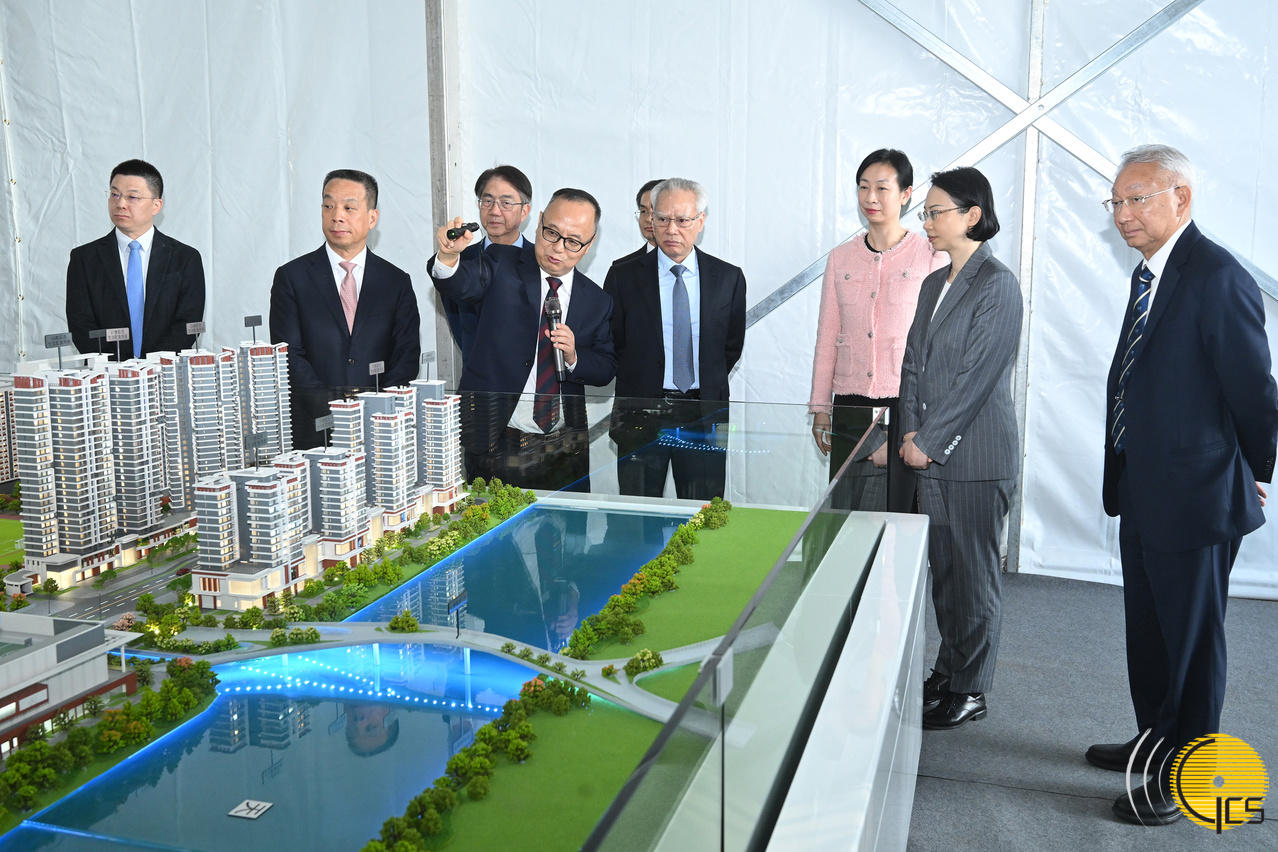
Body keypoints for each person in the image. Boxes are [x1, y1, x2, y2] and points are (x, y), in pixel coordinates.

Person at [1087, 145, 1277, 826]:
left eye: (1138, 199)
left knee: (1193, 644)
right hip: (1143, 483)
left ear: (1181, 198)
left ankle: (1190, 771)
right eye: (1116, 201)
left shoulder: (1217, 275)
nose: (1124, 214)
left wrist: (1256, 470)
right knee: (1149, 630)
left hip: (1197, 491)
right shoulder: (1150, 272)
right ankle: (1156, 739)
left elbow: (1253, 388)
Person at [898, 166, 1022, 731]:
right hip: (930, 455)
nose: (926, 221)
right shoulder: (933, 284)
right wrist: (909, 433)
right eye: (924, 213)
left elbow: (977, 378)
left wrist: (927, 440)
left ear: (972, 215)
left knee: (973, 576)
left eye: (934, 212)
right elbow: (912, 367)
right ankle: (948, 672)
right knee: (946, 575)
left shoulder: (997, 283)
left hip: (975, 459)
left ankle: (971, 689)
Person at [429, 188, 616, 492]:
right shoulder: (501, 262)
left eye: (573, 242)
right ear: (539, 221)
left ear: (589, 244)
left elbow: (606, 367)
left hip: (564, 445)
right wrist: (449, 257)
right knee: (492, 519)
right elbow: (460, 285)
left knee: (566, 522)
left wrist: (574, 357)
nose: (558, 248)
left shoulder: (597, 300)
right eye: (551, 233)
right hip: (497, 437)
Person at [808, 149, 946, 512]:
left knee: (902, 515)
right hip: (851, 405)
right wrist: (821, 407)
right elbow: (827, 337)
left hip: (908, 403)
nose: (871, 197)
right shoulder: (841, 257)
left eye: (882, 188)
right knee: (847, 515)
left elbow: (937, 343)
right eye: (863, 187)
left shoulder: (931, 255)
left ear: (906, 194)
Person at [604, 178, 747, 500]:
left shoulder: (728, 278)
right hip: (641, 413)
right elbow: (615, 343)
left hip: (703, 414)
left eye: (682, 220)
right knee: (637, 514)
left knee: (702, 513)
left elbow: (730, 347)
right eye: (663, 219)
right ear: (651, 220)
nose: (671, 229)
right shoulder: (623, 275)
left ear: (700, 221)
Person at [270, 169, 421, 450]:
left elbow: (406, 354)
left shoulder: (395, 281)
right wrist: (334, 411)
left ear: (372, 218)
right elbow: (289, 353)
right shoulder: (292, 277)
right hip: (314, 426)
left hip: (380, 427)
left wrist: (381, 409)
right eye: (328, 206)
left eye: (349, 208)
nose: (337, 216)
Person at [66, 159, 206, 360]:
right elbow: (80, 324)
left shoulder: (185, 258)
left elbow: (187, 323)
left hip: (164, 370)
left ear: (156, 206)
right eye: (115, 194)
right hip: (108, 372)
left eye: (132, 197)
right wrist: (118, 368)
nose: (120, 204)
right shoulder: (84, 259)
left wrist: (153, 365)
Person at [442, 165, 534, 364]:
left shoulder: (540, 260)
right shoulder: (459, 260)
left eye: (506, 203)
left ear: (524, 211)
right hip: (477, 373)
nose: (494, 211)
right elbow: (458, 325)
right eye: (487, 201)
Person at [610, 178, 663, 267]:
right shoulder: (621, 268)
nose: (648, 219)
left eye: (656, 211)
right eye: (643, 211)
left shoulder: (688, 261)